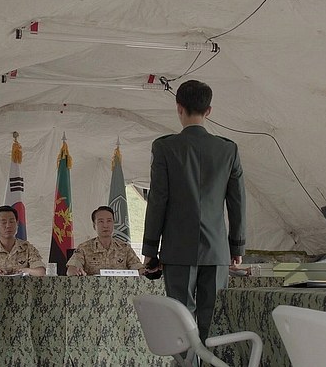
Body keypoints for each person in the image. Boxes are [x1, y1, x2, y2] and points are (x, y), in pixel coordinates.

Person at [142, 79, 245, 343]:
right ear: (208, 110)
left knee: (181, 323)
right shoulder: (228, 149)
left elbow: (158, 200)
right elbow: (237, 202)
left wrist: (150, 248)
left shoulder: (164, 147)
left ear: (179, 108)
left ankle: (185, 362)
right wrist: (236, 247)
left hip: (177, 250)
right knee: (215, 324)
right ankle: (212, 361)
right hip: (217, 250)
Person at [66, 206, 144, 276]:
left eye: (109, 221)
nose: (105, 225)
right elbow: (71, 269)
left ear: (113, 224)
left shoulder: (125, 248)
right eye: (101, 221)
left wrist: (144, 271)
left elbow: (139, 270)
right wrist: (74, 271)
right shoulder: (84, 248)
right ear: (94, 226)